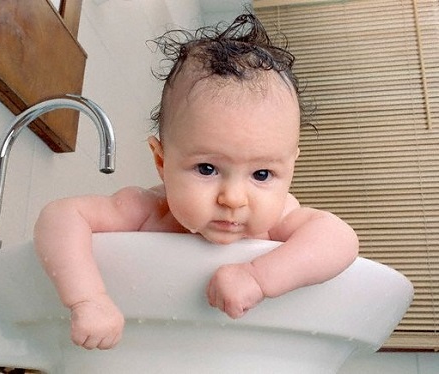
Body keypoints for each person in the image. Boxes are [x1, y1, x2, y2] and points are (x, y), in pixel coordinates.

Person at [33, 12, 359, 351]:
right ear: (162, 161)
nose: (233, 198)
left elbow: (340, 240)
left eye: (262, 174)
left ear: (290, 169)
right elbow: (61, 216)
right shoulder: (148, 211)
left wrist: (259, 277)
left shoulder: (278, 221)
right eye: (207, 168)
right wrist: (88, 299)